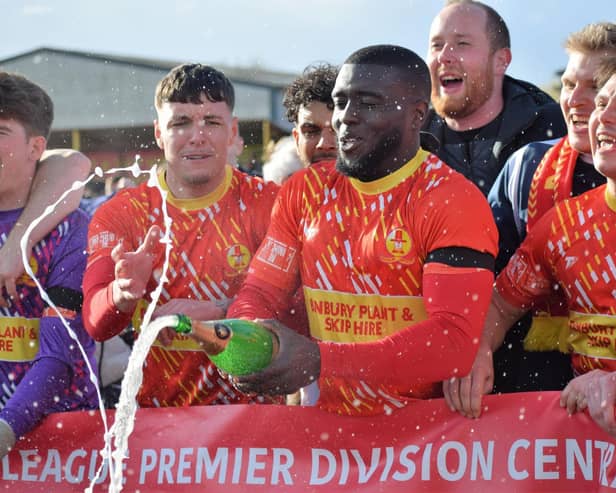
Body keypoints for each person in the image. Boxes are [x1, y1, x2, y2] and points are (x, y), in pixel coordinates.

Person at [226, 45, 498, 416]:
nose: (345, 119)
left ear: (418, 114)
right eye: (340, 103)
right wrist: (246, 335)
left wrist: (320, 359)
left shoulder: (451, 199)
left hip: (421, 440)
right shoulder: (305, 190)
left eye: (368, 104)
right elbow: (261, 290)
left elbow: (452, 342)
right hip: (324, 429)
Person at [82, 63, 282, 408]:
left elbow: (301, 310)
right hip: (161, 431)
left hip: (254, 429)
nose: (197, 136)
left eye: (212, 122)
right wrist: (123, 292)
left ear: (232, 131)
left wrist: (220, 311)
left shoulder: (271, 204)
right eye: (181, 123)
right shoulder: (123, 213)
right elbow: (96, 325)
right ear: (159, 133)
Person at [442, 58, 616, 438]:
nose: (605, 117)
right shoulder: (564, 224)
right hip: (585, 454)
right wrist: (476, 346)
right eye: (603, 103)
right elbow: (500, 305)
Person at [483, 23, 616, 395]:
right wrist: (473, 354)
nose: (574, 100)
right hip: (545, 386)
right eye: (570, 84)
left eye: (596, 87)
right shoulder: (530, 172)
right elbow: (494, 293)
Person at [0, 72, 97, 456]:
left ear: (35, 146)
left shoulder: (72, 230)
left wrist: (7, 427)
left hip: (60, 446)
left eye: (1, 131)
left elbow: (60, 357)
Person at [422, 0, 567, 195]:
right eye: (436, 45)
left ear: (501, 61)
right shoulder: (408, 143)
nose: (444, 56)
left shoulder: (555, 131)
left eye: (462, 43)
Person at [283, 63, 338, 167]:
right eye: (311, 132)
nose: (324, 144)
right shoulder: (285, 183)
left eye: (337, 130)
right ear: (297, 140)